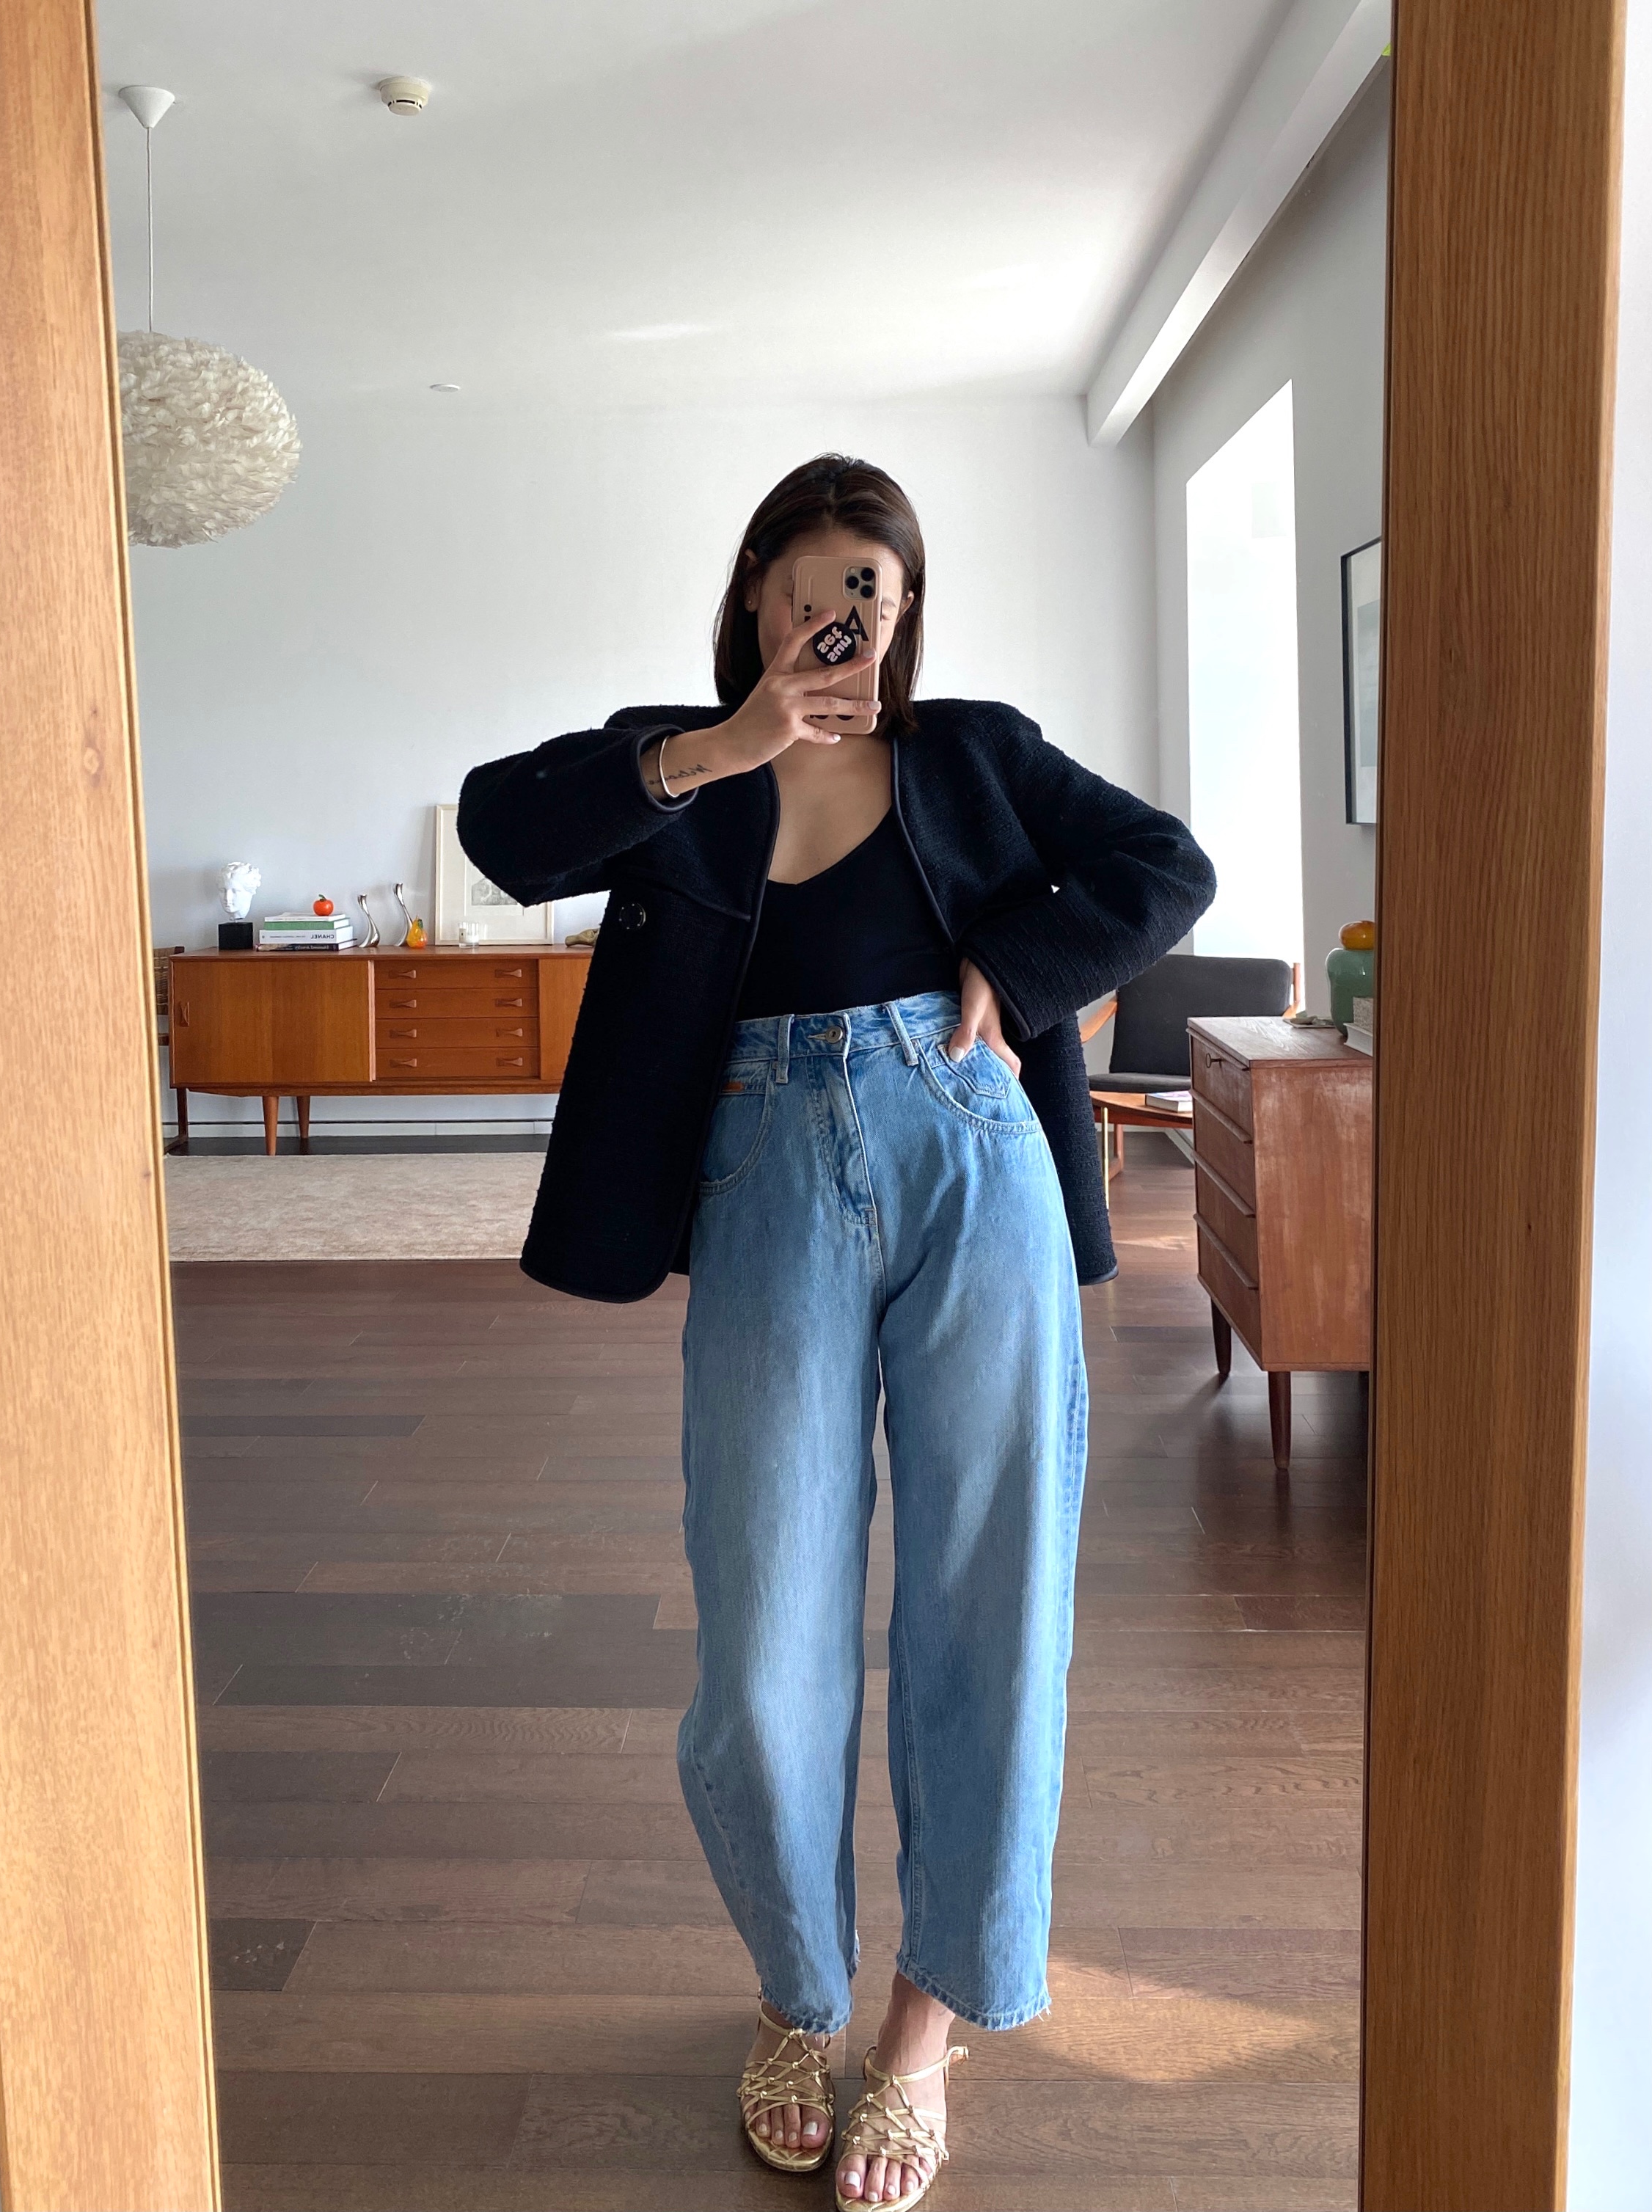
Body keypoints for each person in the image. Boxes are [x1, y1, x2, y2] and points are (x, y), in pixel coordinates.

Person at [458, 455, 1215, 2208]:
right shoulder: (673, 763)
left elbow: (1164, 863)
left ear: (906, 611)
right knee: (762, 1637)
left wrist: (1019, 966)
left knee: (989, 1600)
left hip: (970, 1146)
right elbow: (504, 829)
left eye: (874, 591)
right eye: (814, 586)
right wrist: (723, 746)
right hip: (765, 1169)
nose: (842, 620)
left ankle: (924, 2031)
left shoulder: (972, 753)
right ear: (756, 592)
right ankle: (798, 1990)